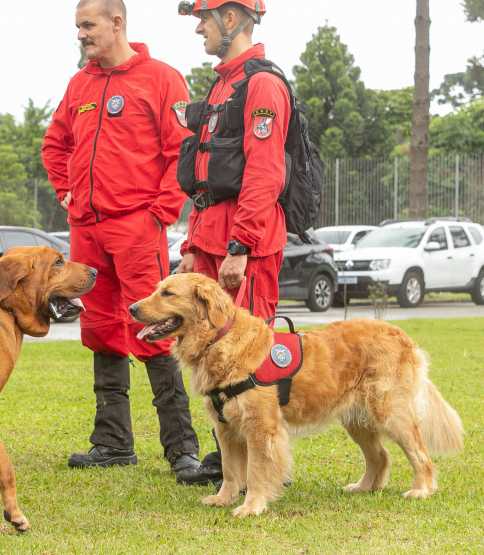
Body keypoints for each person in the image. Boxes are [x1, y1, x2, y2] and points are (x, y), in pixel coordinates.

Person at [42, 0, 200, 475]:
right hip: (86, 231)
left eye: (88, 26)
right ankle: (112, 442)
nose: (81, 35)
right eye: (78, 27)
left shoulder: (161, 78)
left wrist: (159, 214)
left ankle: (182, 450)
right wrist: (67, 192)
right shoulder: (80, 83)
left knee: (153, 328)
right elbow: (56, 144)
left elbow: (182, 152)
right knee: (100, 329)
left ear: (117, 23)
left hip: (136, 228)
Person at [173, 0, 290, 487]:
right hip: (209, 233)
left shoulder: (262, 84)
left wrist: (241, 245)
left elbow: (264, 174)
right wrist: (190, 244)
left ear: (233, 18)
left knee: (249, 352)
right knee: (210, 353)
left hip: (245, 239)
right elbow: (208, 176)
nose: (198, 26)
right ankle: (228, 464)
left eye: (204, 17)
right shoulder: (223, 83)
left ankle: (265, 471)